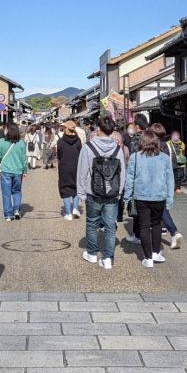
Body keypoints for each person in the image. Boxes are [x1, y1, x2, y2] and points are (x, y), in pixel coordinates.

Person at [77, 115, 126, 270]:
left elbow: (82, 171)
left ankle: (91, 254)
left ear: (98, 129)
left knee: (92, 223)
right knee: (110, 226)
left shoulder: (88, 147)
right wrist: (119, 192)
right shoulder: (118, 148)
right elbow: (122, 172)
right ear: (112, 131)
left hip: (93, 192)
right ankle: (108, 259)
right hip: (112, 193)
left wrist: (81, 192)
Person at [123, 131, 175, 268]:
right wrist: (169, 198)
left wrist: (127, 197)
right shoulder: (164, 158)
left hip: (141, 196)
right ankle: (156, 252)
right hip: (159, 196)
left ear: (142, 142)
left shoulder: (135, 157)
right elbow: (170, 180)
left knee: (144, 226)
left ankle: (148, 258)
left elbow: (130, 179)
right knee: (157, 224)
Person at [149, 123, 184, 249]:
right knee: (163, 209)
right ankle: (171, 231)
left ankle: (172, 231)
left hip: (153, 182)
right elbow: (170, 166)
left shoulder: (151, 146)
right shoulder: (167, 146)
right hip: (164, 181)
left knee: (159, 209)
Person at [0, 123, 28, 221]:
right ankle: (16, 210)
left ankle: (8, 215)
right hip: (18, 171)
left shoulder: (1, 141)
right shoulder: (21, 143)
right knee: (17, 191)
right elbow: (24, 159)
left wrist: (1, 163)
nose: (4, 131)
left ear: (8, 131)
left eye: (5, 129)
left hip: (5, 171)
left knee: (6, 193)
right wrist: (25, 171)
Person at [57, 120, 83, 220]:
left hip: (64, 168)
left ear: (66, 129)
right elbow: (81, 153)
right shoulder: (78, 140)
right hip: (77, 167)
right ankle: (75, 208)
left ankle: (68, 214)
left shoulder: (61, 141)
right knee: (76, 188)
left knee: (65, 188)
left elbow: (59, 154)